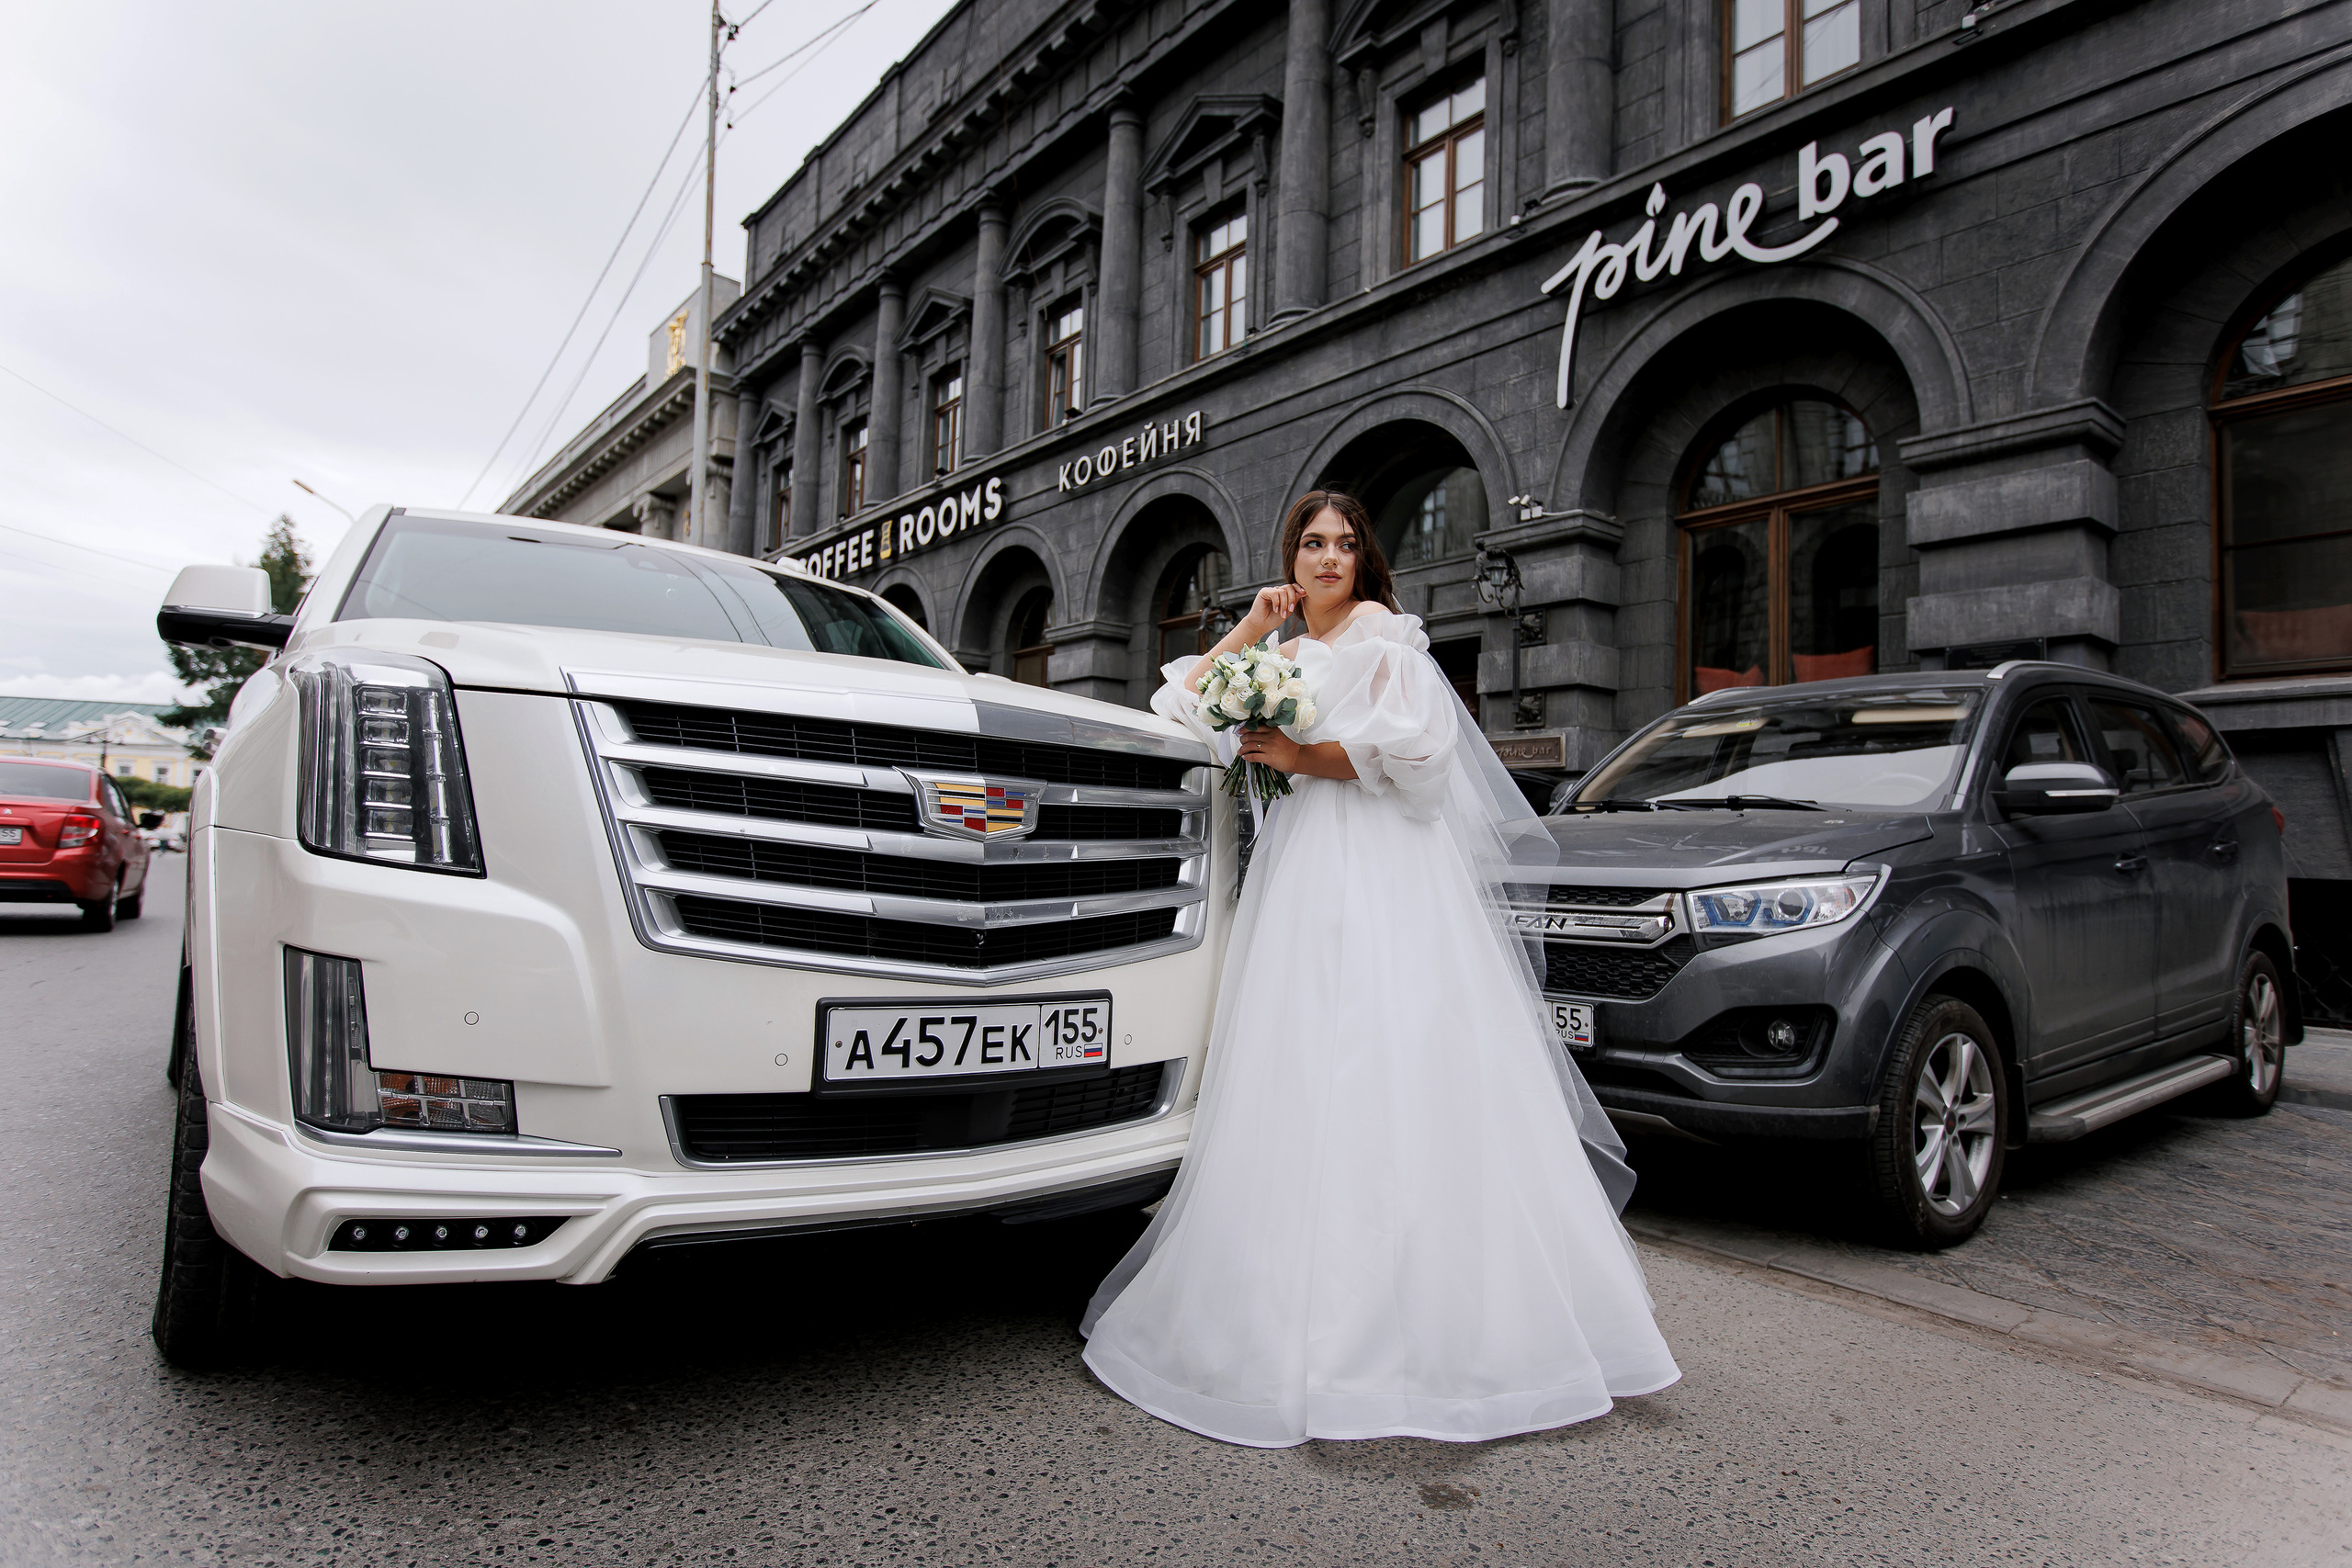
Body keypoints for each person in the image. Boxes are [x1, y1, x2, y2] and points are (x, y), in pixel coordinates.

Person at [1080, 490, 1680, 1449]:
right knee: (1305, 1066)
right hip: (1302, 873)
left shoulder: (1385, 638)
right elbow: (1183, 702)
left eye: (1345, 545)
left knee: (1390, 1054)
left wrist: (1298, 755)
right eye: (1311, 545)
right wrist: (1252, 624)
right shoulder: (1275, 650)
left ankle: (1440, 1332)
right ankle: (1290, 1310)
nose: (1327, 560)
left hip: (1384, 869)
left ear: (1364, 560)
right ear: (1290, 556)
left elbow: (1422, 761)